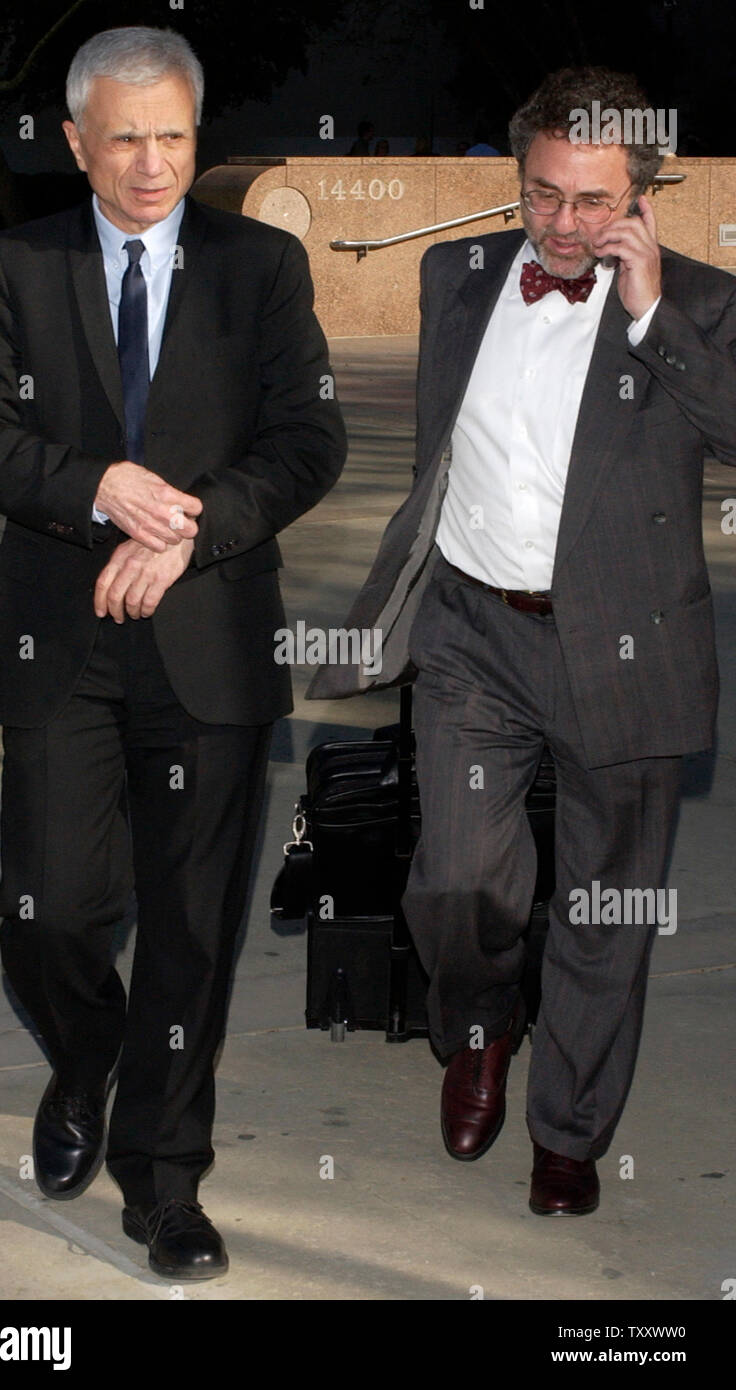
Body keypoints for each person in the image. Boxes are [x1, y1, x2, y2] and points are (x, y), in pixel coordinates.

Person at [0, 25, 345, 1278]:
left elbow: (306, 438)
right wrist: (96, 485)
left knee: (190, 930)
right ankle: (87, 1057)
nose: (154, 162)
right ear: (74, 142)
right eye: (126, 137)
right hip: (61, 642)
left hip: (209, 644)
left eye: (174, 134)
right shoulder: (19, 262)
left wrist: (194, 532)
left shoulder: (261, 266)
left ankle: (165, 1183)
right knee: (52, 912)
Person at [307, 66, 736, 1216]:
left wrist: (651, 317)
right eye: (545, 194)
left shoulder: (699, 302)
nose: (565, 223)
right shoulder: (458, 276)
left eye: (595, 201)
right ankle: (480, 1025)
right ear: (520, 183)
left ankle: (571, 1133)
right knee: (454, 879)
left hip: (626, 652)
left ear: (643, 196)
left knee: (606, 910)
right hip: (474, 637)